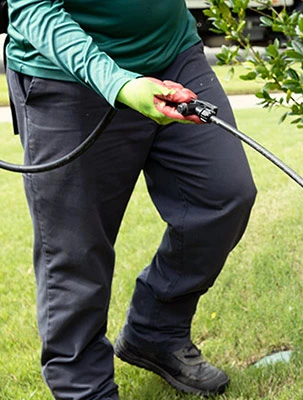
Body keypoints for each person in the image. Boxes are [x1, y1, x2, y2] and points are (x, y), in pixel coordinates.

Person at [5, 1, 257, 398]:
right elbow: (33, 9)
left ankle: (156, 331)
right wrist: (118, 83)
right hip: (64, 75)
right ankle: (85, 389)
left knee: (223, 196)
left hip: (172, 55)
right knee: (76, 248)